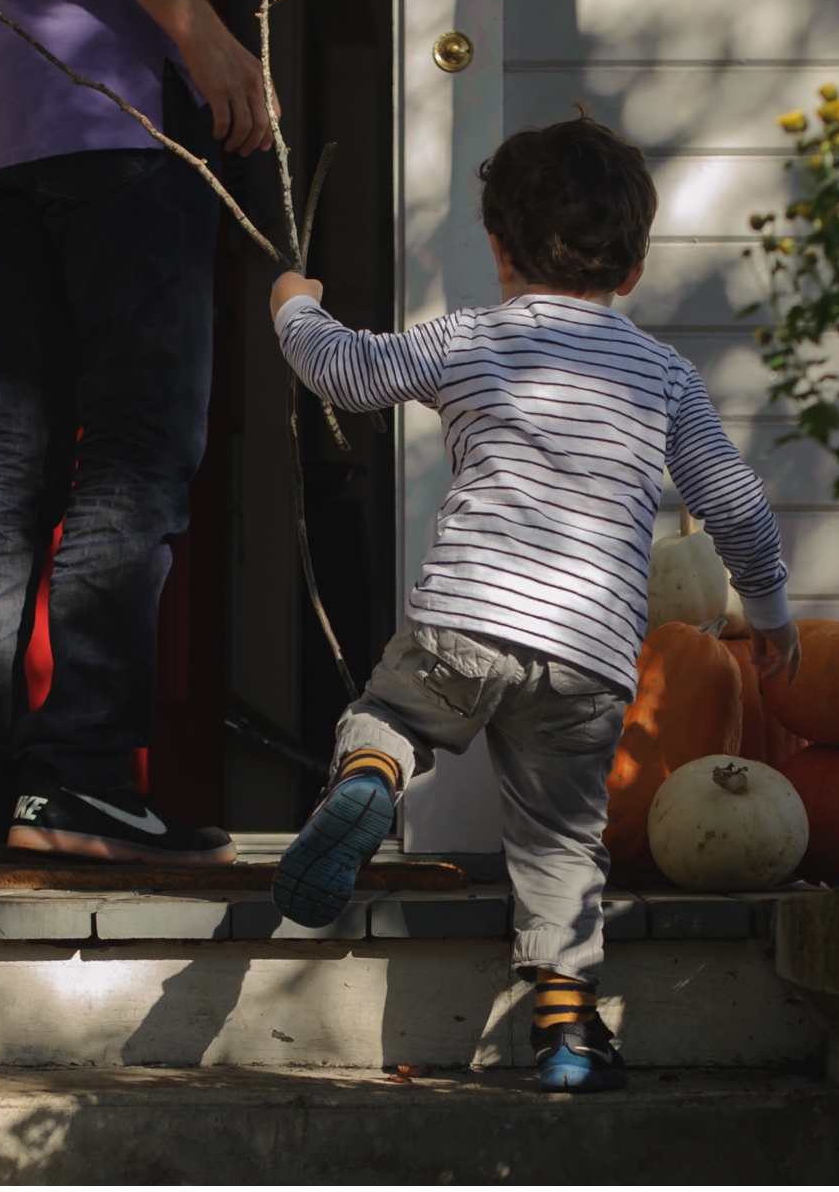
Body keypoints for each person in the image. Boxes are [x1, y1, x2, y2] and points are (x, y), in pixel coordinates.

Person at [263, 111, 803, 1091]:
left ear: (498, 248)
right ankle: (566, 1032)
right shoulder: (663, 375)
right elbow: (730, 500)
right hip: (589, 657)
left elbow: (343, 370)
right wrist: (766, 612)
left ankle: (373, 777)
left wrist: (292, 304)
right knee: (559, 841)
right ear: (631, 270)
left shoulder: (469, 336)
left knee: (387, 711)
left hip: (467, 617)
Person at [0, 0, 262, 865]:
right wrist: (202, 33)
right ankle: (80, 776)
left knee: (5, 460)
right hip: (111, 113)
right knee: (133, 447)